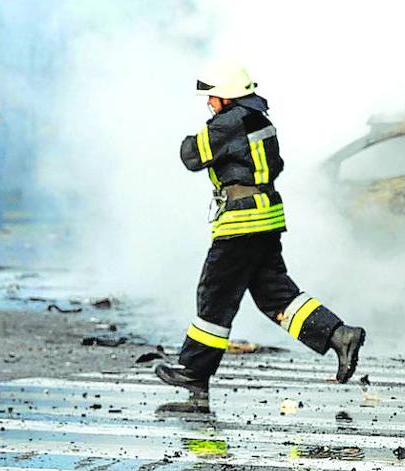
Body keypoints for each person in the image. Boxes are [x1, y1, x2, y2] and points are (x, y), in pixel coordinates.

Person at [154, 61, 367, 399]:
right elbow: (275, 165)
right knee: (274, 294)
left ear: (227, 97)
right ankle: (339, 335)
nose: (209, 102)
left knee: (215, 295)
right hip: (266, 218)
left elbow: (191, 156)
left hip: (241, 223)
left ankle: (194, 371)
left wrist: (196, 135)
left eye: (212, 97)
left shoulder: (227, 124)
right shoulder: (261, 121)